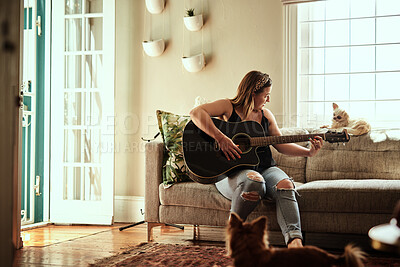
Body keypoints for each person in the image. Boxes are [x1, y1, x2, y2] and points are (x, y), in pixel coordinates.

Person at [189, 70, 323, 248]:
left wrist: (309, 152)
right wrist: (221, 138)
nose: (268, 100)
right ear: (253, 93)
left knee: (286, 184)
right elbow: (196, 112)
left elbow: (280, 144)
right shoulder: (228, 107)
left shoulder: (266, 116)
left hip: (266, 168)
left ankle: (295, 243)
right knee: (254, 180)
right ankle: (234, 233)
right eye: (266, 95)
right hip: (231, 173)